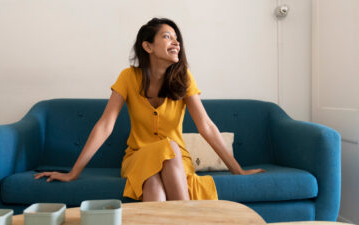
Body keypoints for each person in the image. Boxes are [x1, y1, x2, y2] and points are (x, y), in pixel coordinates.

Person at [34, 18, 265, 201]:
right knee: (167, 149)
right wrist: (73, 172)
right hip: (138, 157)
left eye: (177, 38)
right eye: (167, 37)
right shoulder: (128, 77)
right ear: (148, 46)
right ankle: (189, 219)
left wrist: (238, 171)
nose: (176, 43)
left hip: (176, 160)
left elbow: (206, 126)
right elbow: (105, 125)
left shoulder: (184, 79)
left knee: (155, 180)